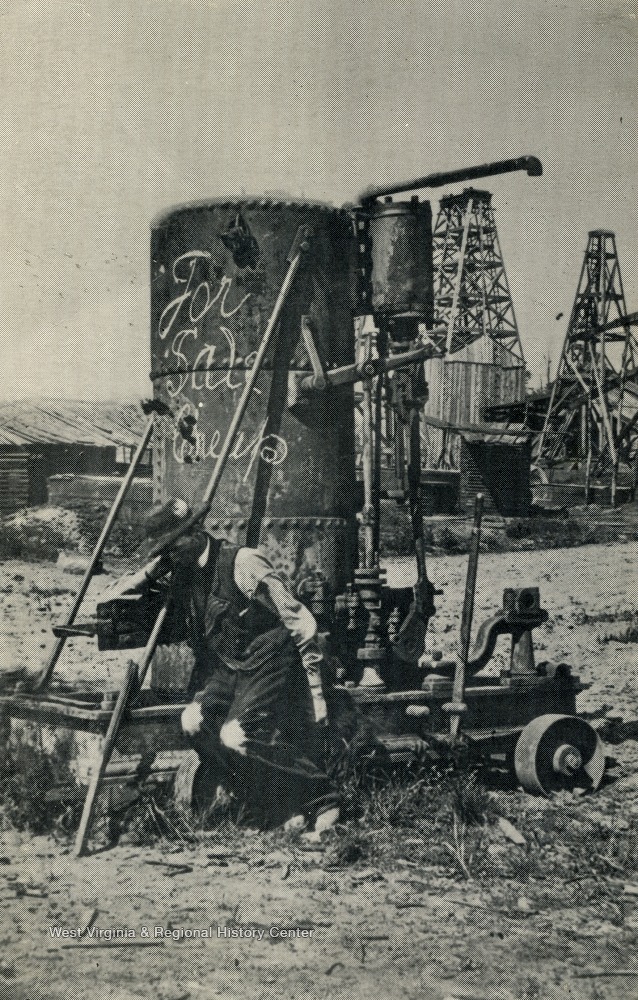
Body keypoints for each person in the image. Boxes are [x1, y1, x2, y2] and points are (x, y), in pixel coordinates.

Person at [108, 498, 340, 833]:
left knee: (236, 736)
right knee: (193, 722)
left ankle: (323, 797)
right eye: (163, 551)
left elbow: (300, 622)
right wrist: (149, 572)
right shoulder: (183, 569)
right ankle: (266, 802)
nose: (168, 557)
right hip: (229, 667)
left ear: (194, 534)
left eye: (172, 547)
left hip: (269, 660)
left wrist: (316, 690)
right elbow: (112, 597)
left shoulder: (243, 562)